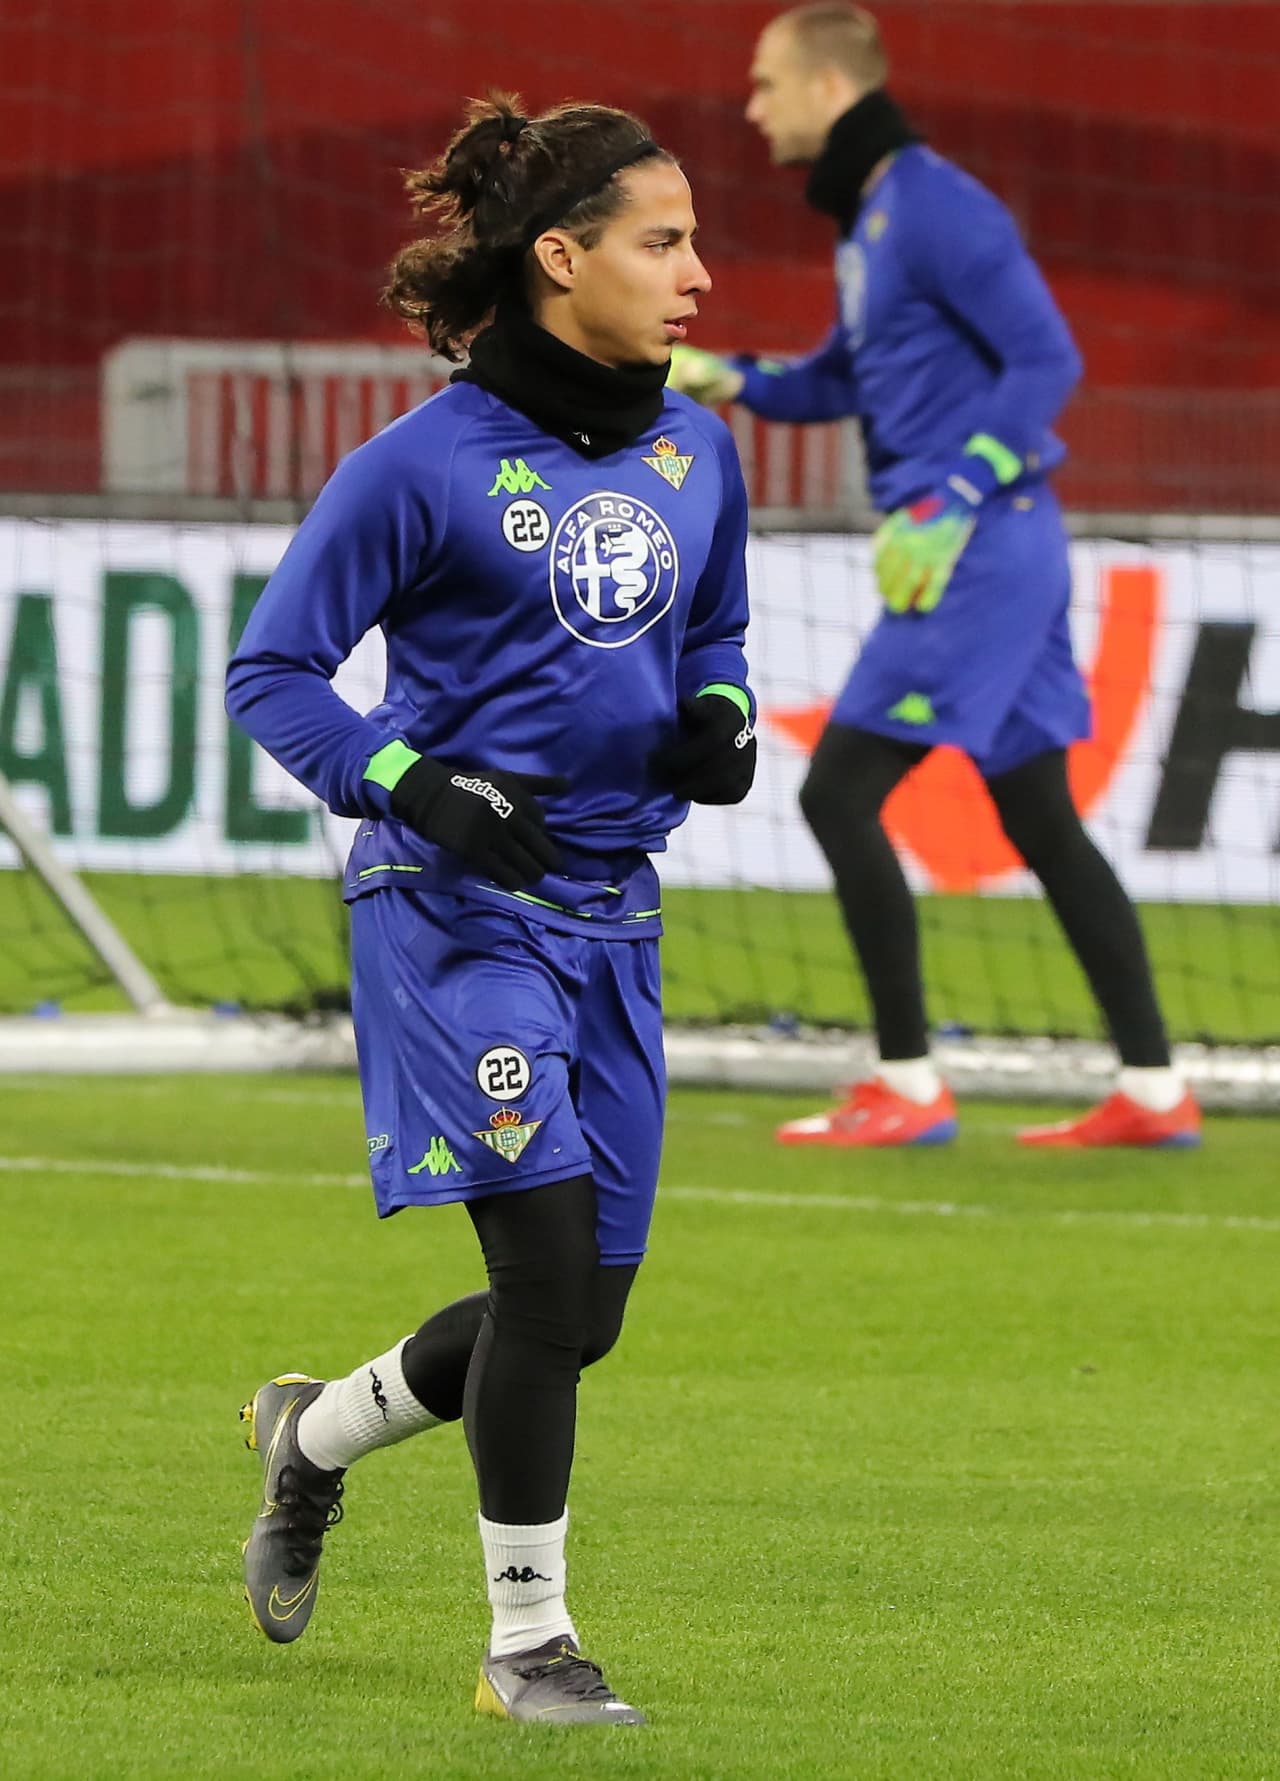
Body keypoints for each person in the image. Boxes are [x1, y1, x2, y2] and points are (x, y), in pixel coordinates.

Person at [224, 93, 755, 1725]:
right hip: (453, 916)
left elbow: (717, 635)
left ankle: (313, 1434)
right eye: (664, 242)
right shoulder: (418, 465)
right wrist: (412, 778)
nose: (699, 276)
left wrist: (722, 716)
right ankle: (530, 1648)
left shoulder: (698, 452)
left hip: (615, 914)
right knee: (540, 1277)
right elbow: (272, 672)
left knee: (580, 1317)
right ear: (562, 258)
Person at [668, 1, 1200, 1150]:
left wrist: (953, 494)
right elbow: (839, 378)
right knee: (1040, 815)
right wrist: (727, 376)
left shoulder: (933, 204)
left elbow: (1047, 356)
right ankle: (1154, 1091)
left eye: (765, 83)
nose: (751, 108)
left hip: (973, 548)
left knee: (835, 791)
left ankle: (906, 1083)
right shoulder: (873, 218)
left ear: (827, 86)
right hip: (991, 540)